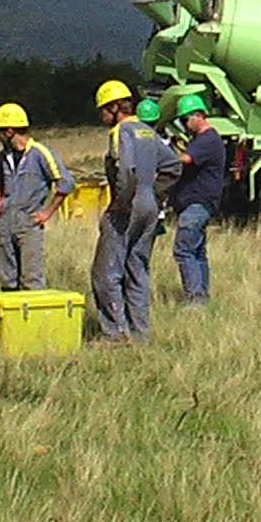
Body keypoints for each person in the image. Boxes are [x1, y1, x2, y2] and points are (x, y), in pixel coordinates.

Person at [89, 80, 181, 341]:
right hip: (150, 207)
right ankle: (141, 334)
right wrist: (153, 194)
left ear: (116, 108)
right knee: (137, 270)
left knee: (106, 273)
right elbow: (173, 166)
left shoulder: (121, 132)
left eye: (104, 110)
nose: (102, 116)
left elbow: (126, 168)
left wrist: (122, 200)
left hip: (127, 206)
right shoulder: (147, 131)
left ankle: (116, 335)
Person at [0, 103, 74, 291]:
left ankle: (32, 318)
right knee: (7, 277)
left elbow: (65, 184)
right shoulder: (2, 156)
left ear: (10, 130)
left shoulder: (41, 153)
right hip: (6, 223)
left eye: (0, 131)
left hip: (29, 222)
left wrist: (46, 213)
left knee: (31, 278)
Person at [168, 92, 226, 304]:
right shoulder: (203, 139)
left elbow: (185, 159)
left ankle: (195, 298)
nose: (184, 124)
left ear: (198, 115)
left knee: (183, 250)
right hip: (199, 203)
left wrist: (164, 156)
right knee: (197, 251)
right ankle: (202, 294)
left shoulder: (207, 139)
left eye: (185, 119)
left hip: (197, 203)